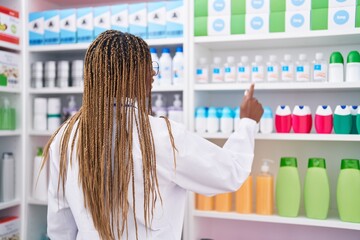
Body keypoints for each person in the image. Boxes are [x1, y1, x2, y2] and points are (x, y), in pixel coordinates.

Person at [42, 30, 263, 240]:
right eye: (148, 66)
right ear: (130, 75)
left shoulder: (65, 137)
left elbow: (60, 227)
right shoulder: (161, 136)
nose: (154, 73)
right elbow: (229, 172)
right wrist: (248, 122)